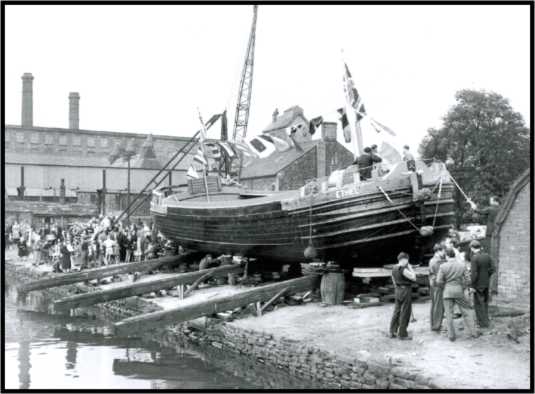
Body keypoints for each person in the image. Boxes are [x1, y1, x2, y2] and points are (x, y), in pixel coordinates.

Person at [436, 248, 479, 341]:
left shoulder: (443, 266)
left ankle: (451, 336)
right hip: (459, 291)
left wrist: (445, 287)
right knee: (467, 312)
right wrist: (462, 287)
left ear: (447, 256)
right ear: (454, 256)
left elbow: (438, 281)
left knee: (449, 314)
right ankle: (474, 333)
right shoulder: (462, 265)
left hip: (447, 292)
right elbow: (468, 280)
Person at [389, 252, 417, 340]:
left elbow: (393, 280)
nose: (407, 262)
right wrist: (411, 268)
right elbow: (413, 278)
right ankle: (402, 334)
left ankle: (392, 331)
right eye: (407, 260)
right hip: (405, 290)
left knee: (396, 310)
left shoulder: (394, 268)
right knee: (405, 311)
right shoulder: (403, 269)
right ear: (404, 259)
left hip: (397, 290)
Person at [469, 240, 495, 328]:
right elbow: (493, 268)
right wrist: (487, 275)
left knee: (479, 304)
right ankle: (485, 320)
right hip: (486, 283)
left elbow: (474, 274)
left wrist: (472, 285)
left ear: (472, 248)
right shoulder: (487, 256)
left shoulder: (474, 258)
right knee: (485, 302)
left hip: (478, 285)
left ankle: (482, 323)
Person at [428, 243, 446, 332]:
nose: (444, 253)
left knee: (434, 304)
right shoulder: (438, 261)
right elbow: (440, 274)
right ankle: (437, 326)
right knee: (438, 306)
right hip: (438, 285)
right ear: (439, 251)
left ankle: (433, 324)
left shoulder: (432, 260)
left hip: (433, 285)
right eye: (443, 251)